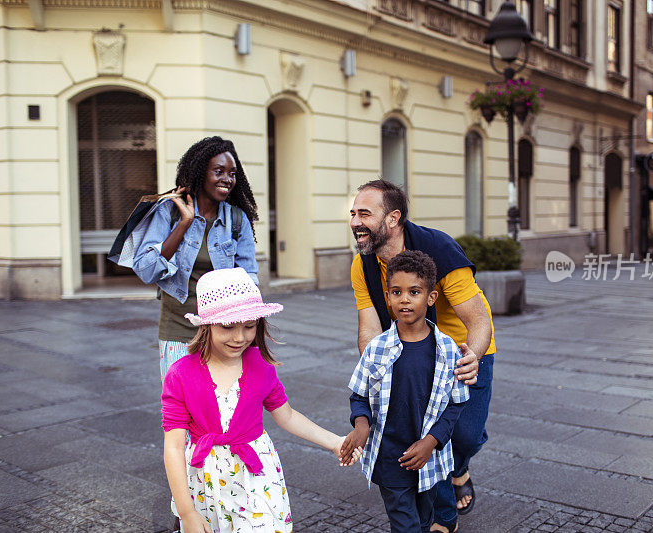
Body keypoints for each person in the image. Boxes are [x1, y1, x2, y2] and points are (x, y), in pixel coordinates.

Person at [162, 268, 361, 533]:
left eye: (249, 326)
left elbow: (287, 416)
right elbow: (174, 447)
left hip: (256, 476)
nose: (240, 337)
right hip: (206, 482)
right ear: (206, 325)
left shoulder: (261, 366)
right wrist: (186, 512)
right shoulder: (180, 374)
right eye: (228, 326)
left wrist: (335, 442)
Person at [349, 180, 496, 533]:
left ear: (393, 218)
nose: (355, 221)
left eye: (365, 213)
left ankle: (458, 468)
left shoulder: (438, 248)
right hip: (408, 351)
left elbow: (478, 319)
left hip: (462, 350)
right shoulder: (363, 264)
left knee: (465, 437)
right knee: (424, 436)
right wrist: (374, 371)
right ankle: (443, 518)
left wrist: (472, 356)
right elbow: (369, 328)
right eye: (353, 213)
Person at [340, 251, 469, 533]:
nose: (405, 299)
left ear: (431, 298)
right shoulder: (377, 348)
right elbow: (359, 395)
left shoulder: (447, 349)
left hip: (429, 460)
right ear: (387, 297)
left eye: (414, 292)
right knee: (406, 525)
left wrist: (431, 442)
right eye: (396, 292)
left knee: (423, 521)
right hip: (390, 459)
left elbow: (456, 404)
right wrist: (361, 425)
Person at [132, 136, 259, 380]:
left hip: (224, 333)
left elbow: (249, 280)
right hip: (177, 329)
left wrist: (249, 335)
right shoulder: (167, 212)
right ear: (200, 173)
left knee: (220, 410)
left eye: (232, 173)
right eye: (219, 171)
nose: (227, 179)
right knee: (180, 410)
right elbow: (146, 270)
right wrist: (183, 224)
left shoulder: (237, 219)